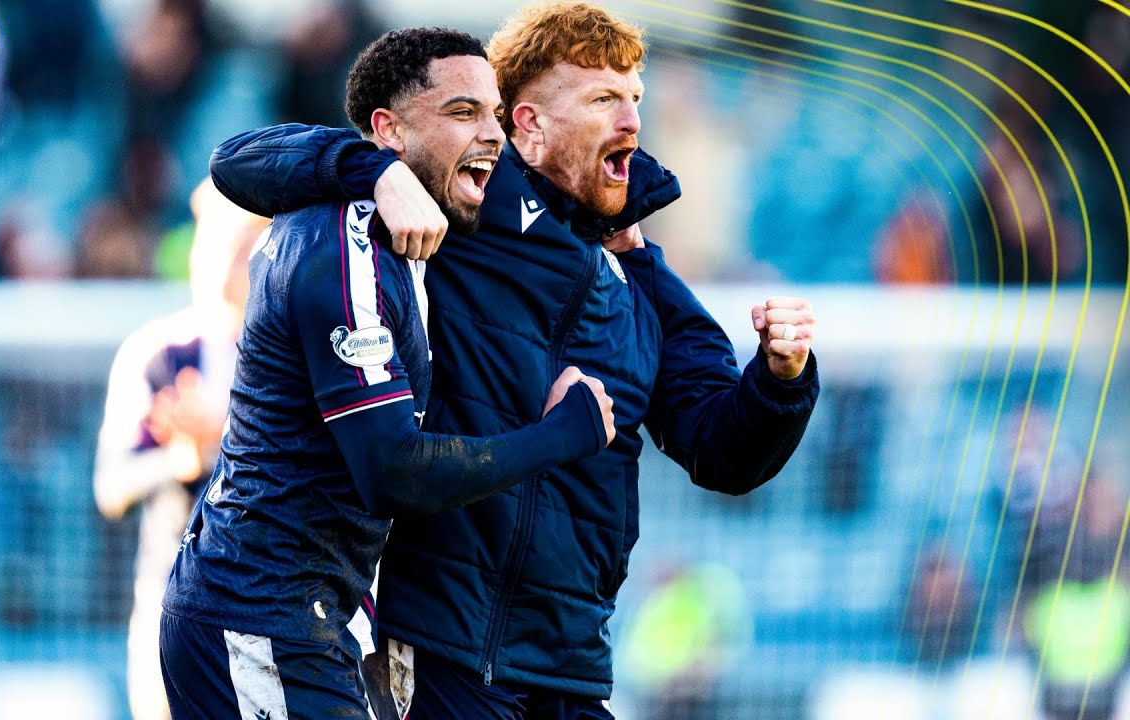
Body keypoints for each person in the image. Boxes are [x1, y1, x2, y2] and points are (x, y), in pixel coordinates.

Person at [209, 3, 820, 716]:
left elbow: (723, 453)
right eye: (602, 100)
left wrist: (780, 381)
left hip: (574, 662)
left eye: (635, 99)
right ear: (526, 123)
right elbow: (239, 161)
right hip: (440, 649)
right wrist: (372, 170)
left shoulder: (644, 280)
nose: (631, 121)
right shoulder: (463, 196)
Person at [159, 28, 616, 720]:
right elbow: (392, 469)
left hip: (321, 618)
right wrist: (560, 435)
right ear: (389, 129)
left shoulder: (443, 226)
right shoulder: (342, 246)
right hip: (260, 618)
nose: (490, 132)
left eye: (494, 113)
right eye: (463, 112)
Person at [93, 178, 268, 720]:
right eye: (213, 245)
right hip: (169, 607)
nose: (223, 265)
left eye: (241, 251)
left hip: (264, 612)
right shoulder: (157, 354)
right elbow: (112, 487)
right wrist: (182, 458)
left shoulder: (288, 362)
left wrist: (227, 438)